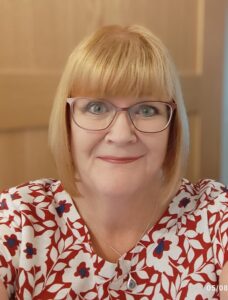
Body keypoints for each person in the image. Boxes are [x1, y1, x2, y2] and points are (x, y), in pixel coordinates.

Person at [0, 24, 228, 300]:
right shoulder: (18, 217)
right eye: (96, 107)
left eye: (146, 109)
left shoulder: (214, 215)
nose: (121, 136)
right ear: (67, 122)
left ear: (173, 128)